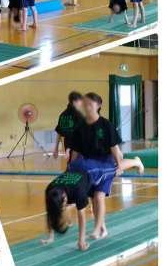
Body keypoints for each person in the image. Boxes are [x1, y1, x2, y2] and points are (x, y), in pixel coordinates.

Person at [43, 92, 145, 250]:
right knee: (94, 195)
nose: (86, 107)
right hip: (87, 162)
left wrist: (119, 165)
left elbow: (115, 149)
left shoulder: (106, 125)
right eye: (85, 105)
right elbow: (76, 150)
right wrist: (71, 166)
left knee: (99, 195)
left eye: (89, 104)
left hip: (104, 161)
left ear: (98, 106)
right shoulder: (80, 126)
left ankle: (98, 229)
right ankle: (102, 229)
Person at [53, 91, 84, 162]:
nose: (81, 104)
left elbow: (59, 132)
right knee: (76, 165)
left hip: (67, 145)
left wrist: (56, 148)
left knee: (71, 164)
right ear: (74, 102)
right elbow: (76, 134)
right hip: (77, 146)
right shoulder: (78, 115)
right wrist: (68, 150)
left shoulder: (62, 115)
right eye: (80, 101)